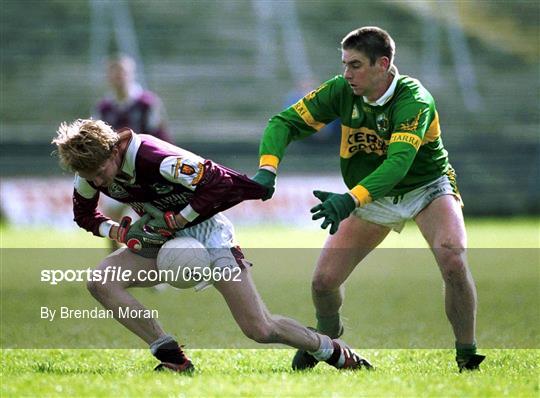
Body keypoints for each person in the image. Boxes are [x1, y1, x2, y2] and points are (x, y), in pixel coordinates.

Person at [51, 118, 373, 373]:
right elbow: (83, 213)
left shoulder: (153, 158)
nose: (96, 182)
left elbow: (216, 181)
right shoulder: (91, 169)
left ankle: (330, 349)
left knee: (260, 328)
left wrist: (182, 217)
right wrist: (117, 232)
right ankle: (172, 357)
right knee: (101, 281)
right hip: (163, 236)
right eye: (88, 177)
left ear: (111, 152)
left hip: (209, 235)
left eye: (99, 173)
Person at [252, 26, 485, 372]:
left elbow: (397, 165)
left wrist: (349, 200)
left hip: (426, 186)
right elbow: (282, 123)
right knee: (323, 283)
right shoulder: (340, 90)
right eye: (345, 64)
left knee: (452, 256)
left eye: (355, 65)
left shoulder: (414, 100)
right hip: (371, 192)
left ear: (383, 64)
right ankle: (327, 337)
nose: (346, 74)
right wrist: (267, 170)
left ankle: (467, 353)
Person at [96, 55, 173, 252]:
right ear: (109, 77)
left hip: (146, 173)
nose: (119, 77)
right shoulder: (103, 108)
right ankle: (115, 265)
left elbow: (161, 137)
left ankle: (158, 268)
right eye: (114, 73)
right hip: (117, 175)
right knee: (109, 218)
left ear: (131, 74)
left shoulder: (147, 103)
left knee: (152, 223)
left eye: (122, 72)